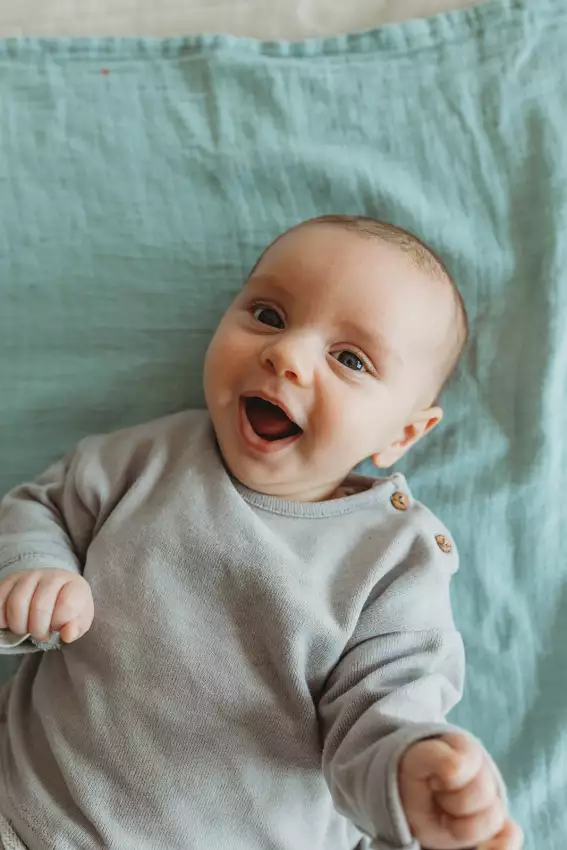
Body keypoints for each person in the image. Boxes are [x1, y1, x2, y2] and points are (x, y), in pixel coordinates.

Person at [0, 215, 522, 850]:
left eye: (350, 359)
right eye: (269, 316)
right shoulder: (146, 460)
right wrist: (34, 570)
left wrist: (410, 768)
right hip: (26, 814)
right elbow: (41, 508)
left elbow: (385, 709)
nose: (287, 355)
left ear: (402, 434)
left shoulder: (392, 562)